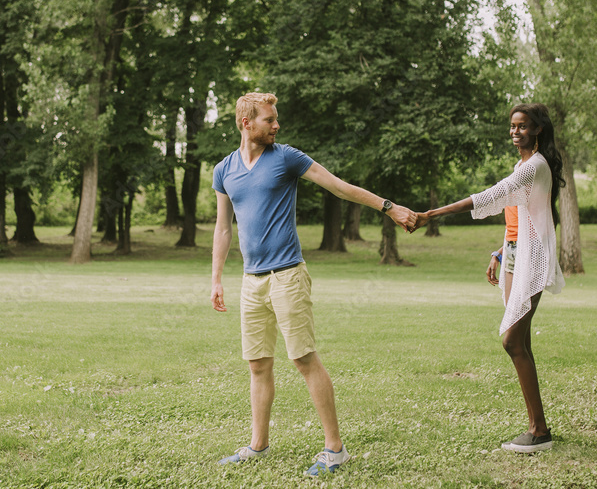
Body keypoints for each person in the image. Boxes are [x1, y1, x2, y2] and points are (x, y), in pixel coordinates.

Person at [211, 92, 413, 476]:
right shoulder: (224, 170)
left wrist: (389, 207)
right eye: (269, 119)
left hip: (287, 274)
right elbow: (223, 229)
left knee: (303, 359)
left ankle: (335, 449)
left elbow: (339, 186)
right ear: (246, 123)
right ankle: (258, 445)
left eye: (276, 118)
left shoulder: (286, 157)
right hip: (250, 281)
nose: (276, 125)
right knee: (257, 365)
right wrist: (217, 278)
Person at [410, 103, 565, 453]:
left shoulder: (535, 166)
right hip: (513, 253)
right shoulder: (523, 163)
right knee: (519, 342)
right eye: (512, 126)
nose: (515, 132)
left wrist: (431, 214)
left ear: (537, 129)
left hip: (533, 258)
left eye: (522, 126)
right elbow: (520, 215)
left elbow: (491, 196)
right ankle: (537, 426)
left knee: (512, 341)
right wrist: (500, 251)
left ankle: (539, 431)